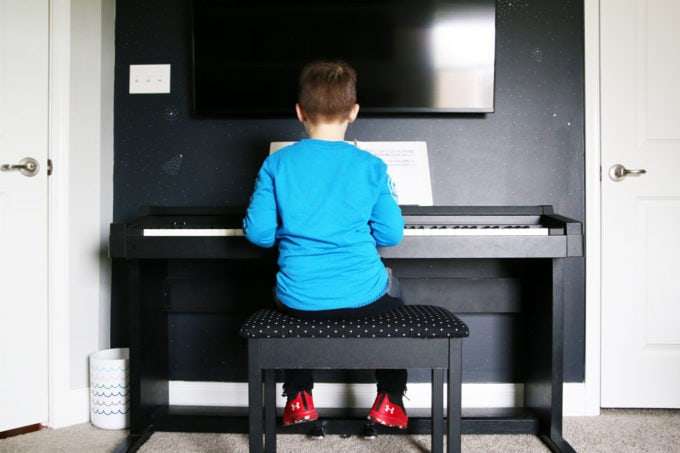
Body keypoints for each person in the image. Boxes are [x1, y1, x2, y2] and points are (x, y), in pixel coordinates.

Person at [243, 61, 409, 430]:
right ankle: (389, 399)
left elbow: (259, 236)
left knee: (288, 296)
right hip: (364, 297)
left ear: (300, 112)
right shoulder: (372, 166)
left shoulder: (277, 164)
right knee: (394, 290)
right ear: (354, 112)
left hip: (299, 300)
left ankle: (300, 396)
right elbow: (391, 236)